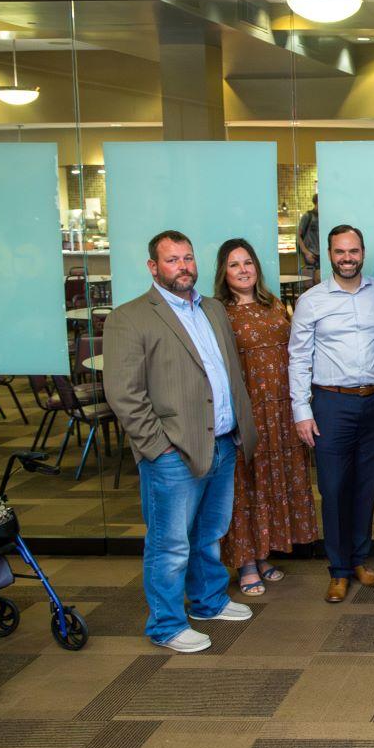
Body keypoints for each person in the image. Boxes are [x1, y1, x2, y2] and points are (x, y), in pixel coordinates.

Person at [103, 230, 258, 653]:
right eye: (172, 260)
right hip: (172, 453)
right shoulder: (130, 318)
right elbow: (123, 394)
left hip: (223, 442)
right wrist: (158, 446)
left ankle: (207, 601)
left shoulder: (212, 309)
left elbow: (227, 373)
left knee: (210, 533)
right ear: (154, 267)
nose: (183, 267)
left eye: (188, 258)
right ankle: (167, 625)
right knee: (170, 544)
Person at [289, 224, 374, 604]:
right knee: (332, 488)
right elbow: (298, 359)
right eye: (339, 252)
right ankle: (339, 570)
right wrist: (302, 412)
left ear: (363, 252)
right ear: (329, 254)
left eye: (353, 251)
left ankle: (360, 559)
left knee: (367, 484)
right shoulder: (311, 300)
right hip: (330, 404)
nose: (347, 258)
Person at [214, 238, 319, 597]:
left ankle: (263, 553)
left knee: (273, 482)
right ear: (223, 272)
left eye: (248, 263)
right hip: (250, 409)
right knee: (247, 484)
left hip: (282, 409)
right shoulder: (218, 313)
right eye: (234, 265)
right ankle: (245, 561)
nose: (243, 270)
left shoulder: (273, 303)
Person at [296, 194, 320, 282]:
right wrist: (306, 252)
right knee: (309, 282)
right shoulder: (308, 216)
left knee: (319, 280)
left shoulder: (324, 217)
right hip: (311, 254)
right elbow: (298, 235)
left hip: (322, 254)